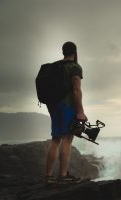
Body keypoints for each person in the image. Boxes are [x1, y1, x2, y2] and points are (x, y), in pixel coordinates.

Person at [45, 41, 88, 184]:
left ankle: (48, 176)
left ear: (63, 52)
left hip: (53, 105)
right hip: (67, 105)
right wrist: (80, 111)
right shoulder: (75, 67)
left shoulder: (54, 66)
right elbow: (76, 89)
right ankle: (63, 175)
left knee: (56, 139)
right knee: (67, 139)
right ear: (75, 52)